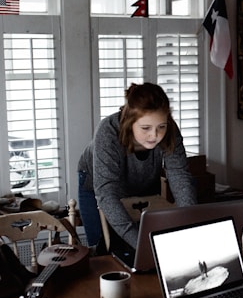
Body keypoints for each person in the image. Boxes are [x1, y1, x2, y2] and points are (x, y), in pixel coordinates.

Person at [78, 82, 197, 252]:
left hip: (143, 181)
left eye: (161, 127)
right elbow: (107, 194)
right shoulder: (108, 132)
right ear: (129, 122)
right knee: (102, 251)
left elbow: (180, 176)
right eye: (146, 128)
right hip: (98, 184)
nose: (154, 135)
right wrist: (142, 245)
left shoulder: (170, 130)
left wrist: (188, 224)